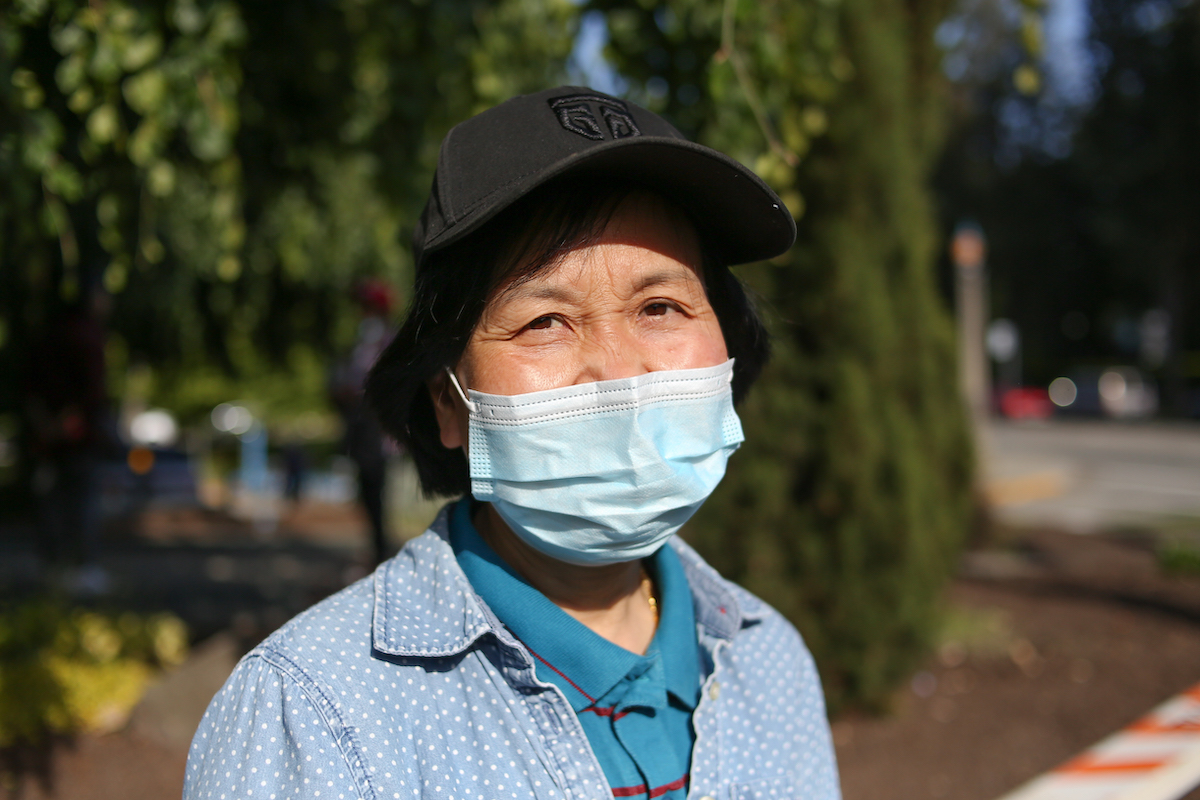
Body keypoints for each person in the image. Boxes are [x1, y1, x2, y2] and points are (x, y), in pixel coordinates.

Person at [185, 87, 841, 800]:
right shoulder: (315, 716)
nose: (619, 369)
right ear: (447, 400)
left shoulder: (766, 659)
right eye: (546, 321)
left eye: (660, 307)